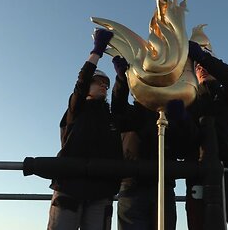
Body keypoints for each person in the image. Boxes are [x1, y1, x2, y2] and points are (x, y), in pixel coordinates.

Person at [111, 56, 198, 230]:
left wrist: (182, 119)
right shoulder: (133, 113)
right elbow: (118, 110)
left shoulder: (168, 115)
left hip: (163, 187)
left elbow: (184, 148)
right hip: (132, 186)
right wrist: (122, 80)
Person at [48, 29, 123, 230]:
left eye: (106, 85)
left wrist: (122, 76)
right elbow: (80, 84)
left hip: (101, 192)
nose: (103, 87)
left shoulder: (111, 119)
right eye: (98, 82)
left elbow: (121, 100)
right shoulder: (76, 110)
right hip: (69, 187)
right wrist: (97, 51)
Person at [185, 39, 228, 230]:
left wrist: (204, 57)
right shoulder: (190, 101)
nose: (202, 68)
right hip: (199, 175)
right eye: (198, 66)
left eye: (206, 65)